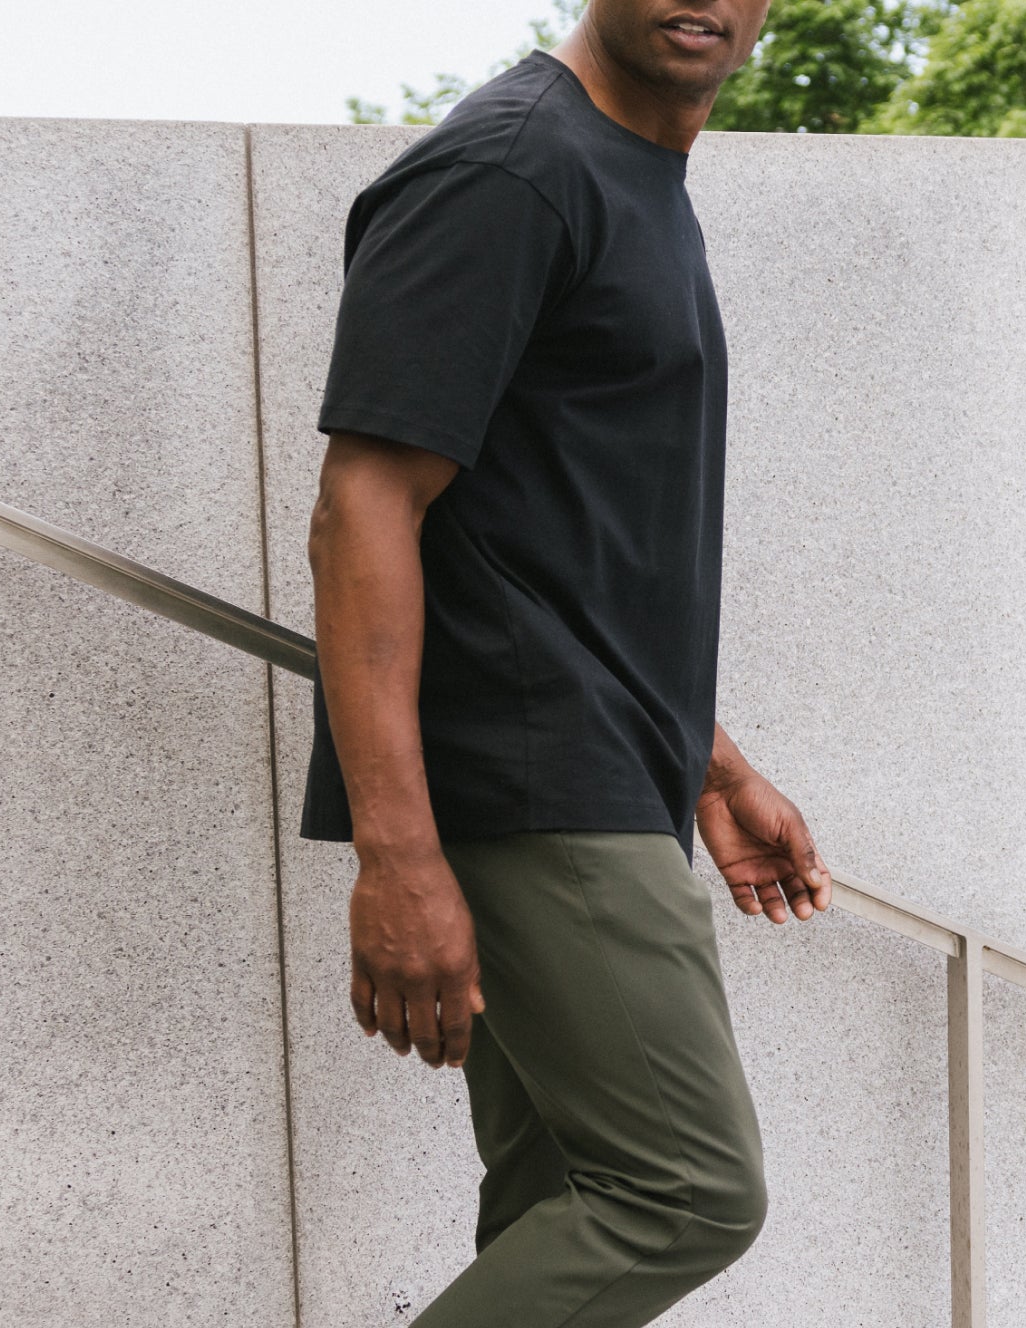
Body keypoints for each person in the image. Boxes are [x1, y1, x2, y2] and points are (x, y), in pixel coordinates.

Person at [299, 3, 816, 1323]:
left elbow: (553, 541)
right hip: (528, 787)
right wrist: (397, 856)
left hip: (597, 765)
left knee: (559, 1206)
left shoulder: (630, 173)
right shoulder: (511, 170)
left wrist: (711, 761)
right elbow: (363, 503)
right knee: (683, 1192)